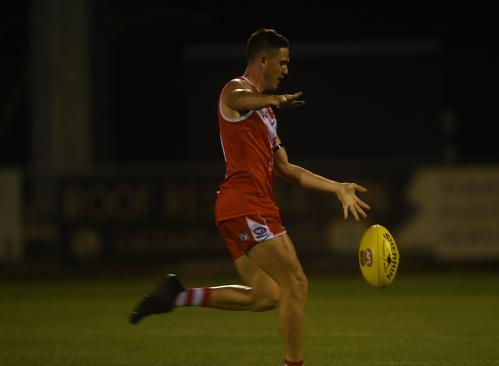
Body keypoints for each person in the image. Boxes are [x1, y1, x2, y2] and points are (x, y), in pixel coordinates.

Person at [128, 28, 370, 366]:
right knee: (296, 283)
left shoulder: (268, 115)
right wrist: (273, 99)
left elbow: (286, 170)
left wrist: (337, 187)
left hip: (239, 207)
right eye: (282, 63)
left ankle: (177, 296)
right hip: (246, 204)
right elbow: (240, 101)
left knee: (266, 295)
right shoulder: (236, 89)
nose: (286, 70)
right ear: (263, 61)